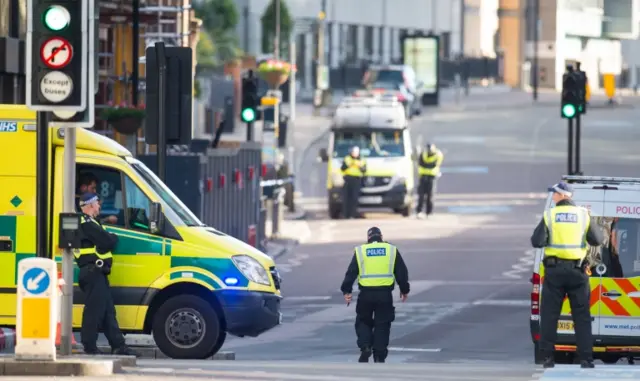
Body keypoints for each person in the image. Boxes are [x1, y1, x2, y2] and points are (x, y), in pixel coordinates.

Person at [530, 182, 604, 368]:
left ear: (563, 195)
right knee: (582, 317)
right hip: (578, 272)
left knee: (550, 316)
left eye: (555, 194)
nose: (553, 196)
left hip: (555, 273)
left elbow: (537, 241)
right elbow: (597, 239)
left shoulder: (550, 215)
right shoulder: (583, 215)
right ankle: (586, 359)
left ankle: (547, 358)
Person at [76, 192, 136, 356]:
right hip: (92, 272)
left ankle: (119, 345)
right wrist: (112, 237)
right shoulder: (85, 222)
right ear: (89, 205)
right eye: (97, 203)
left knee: (108, 311)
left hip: (97, 273)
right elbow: (107, 241)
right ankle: (89, 346)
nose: (99, 206)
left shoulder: (92, 222)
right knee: (94, 311)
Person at [341, 227, 410, 363]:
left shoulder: (361, 251)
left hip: (365, 294)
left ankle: (366, 346)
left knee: (363, 321)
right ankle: (379, 355)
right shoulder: (391, 250)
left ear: (368, 238)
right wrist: (404, 289)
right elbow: (401, 272)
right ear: (381, 237)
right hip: (384, 294)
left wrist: (346, 290)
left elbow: (351, 272)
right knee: (382, 324)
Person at [416, 143, 443, 218]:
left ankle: (429, 212)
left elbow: (435, 164)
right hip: (423, 176)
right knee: (421, 195)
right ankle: (419, 211)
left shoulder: (438, 155)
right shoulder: (423, 154)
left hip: (432, 177)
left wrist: (428, 165)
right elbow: (421, 163)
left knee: (430, 195)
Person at [341, 146, 367, 219]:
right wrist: (349, 164)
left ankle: (353, 214)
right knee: (346, 198)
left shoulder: (362, 160)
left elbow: (364, 170)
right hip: (348, 179)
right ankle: (346, 214)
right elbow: (343, 168)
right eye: (353, 152)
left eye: (356, 152)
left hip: (357, 180)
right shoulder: (347, 159)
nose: (354, 154)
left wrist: (359, 166)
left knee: (354, 198)